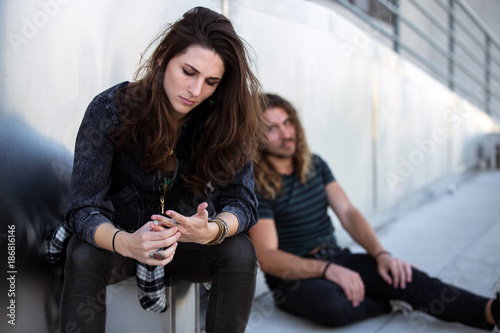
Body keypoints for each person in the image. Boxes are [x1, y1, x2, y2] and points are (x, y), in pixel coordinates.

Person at [49, 7, 265, 332]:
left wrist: (213, 230)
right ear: (164, 57)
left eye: (211, 82)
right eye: (188, 71)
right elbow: (83, 208)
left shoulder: (223, 120)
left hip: (185, 244)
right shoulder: (111, 111)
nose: (195, 90)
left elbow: (243, 202)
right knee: (83, 253)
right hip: (121, 239)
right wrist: (127, 242)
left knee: (239, 250)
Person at [248, 93, 500, 330]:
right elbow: (269, 258)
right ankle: (388, 301)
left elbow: (347, 213)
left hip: (336, 256)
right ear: (255, 136)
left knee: (403, 276)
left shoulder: (315, 164)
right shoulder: (257, 184)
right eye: (272, 128)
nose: (285, 133)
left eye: (288, 122)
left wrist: (380, 254)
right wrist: (326, 270)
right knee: (334, 305)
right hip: (293, 278)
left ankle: (489, 310)